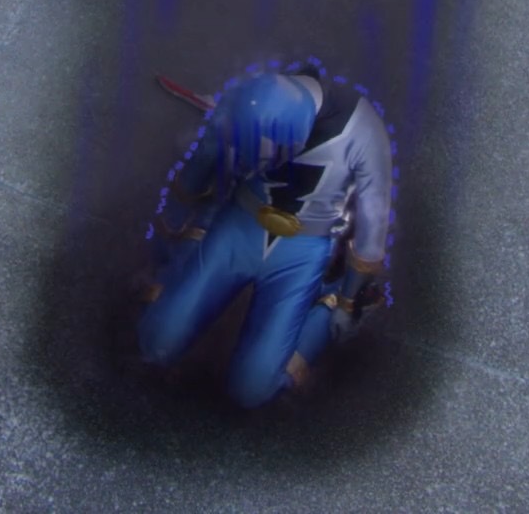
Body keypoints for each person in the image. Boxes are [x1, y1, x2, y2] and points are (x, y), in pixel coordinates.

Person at [139, 68, 392, 408]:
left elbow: (373, 227)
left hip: (302, 252)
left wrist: (348, 301)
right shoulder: (244, 104)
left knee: (252, 388)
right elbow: (198, 170)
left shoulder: (363, 129)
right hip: (238, 227)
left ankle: (328, 300)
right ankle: (199, 239)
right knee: (156, 342)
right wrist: (176, 229)